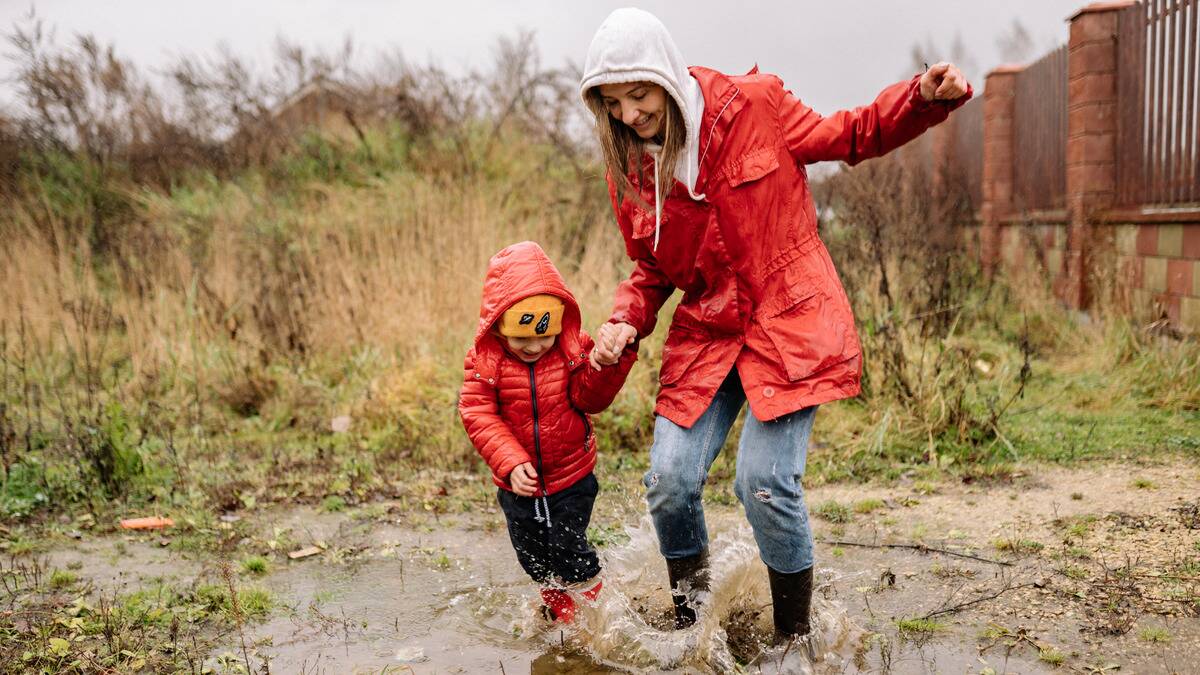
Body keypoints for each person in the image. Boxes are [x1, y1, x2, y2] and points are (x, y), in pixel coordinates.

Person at [579, 8, 971, 639]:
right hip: (708, 330)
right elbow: (651, 267)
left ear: (667, 76)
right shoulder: (629, 165)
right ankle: (690, 631)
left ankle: (794, 641)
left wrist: (919, 98)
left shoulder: (753, 106)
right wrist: (625, 319)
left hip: (788, 319)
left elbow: (849, 135)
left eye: (639, 94)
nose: (629, 114)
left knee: (762, 482)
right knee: (668, 482)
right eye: (612, 102)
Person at [458, 241, 638, 623]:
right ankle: (561, 612)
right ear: (499, 325)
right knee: (533, 558)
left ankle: (595, 615)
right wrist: (510, 461)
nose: (535, 346)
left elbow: (590, 399)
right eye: (522, 338)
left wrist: (605, 366)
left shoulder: (572, 349)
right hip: (518, 485)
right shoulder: (485, 362)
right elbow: (477, 411)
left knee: (569, 549)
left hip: (571, 476)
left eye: (544, 336)